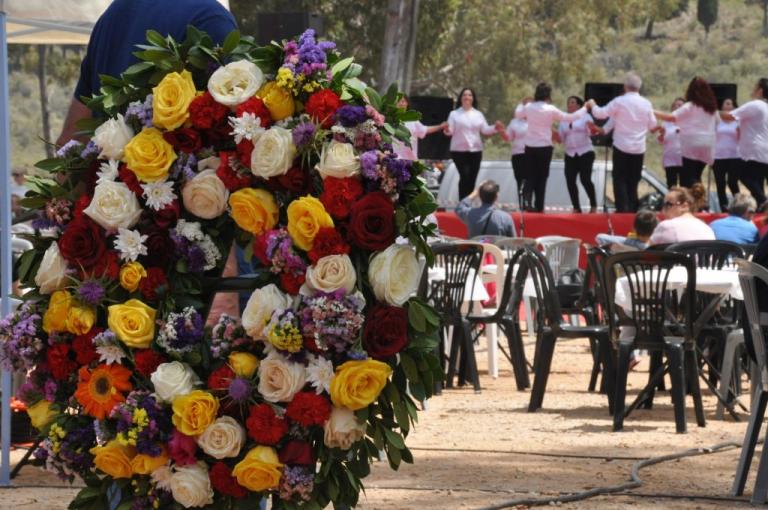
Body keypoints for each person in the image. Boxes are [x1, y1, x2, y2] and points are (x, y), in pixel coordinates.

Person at [57, 0, 237, 145]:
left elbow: (71, 140)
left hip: (108, 186)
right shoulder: (211, 19)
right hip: (170, 187)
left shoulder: (112, 15)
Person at [587, 72, 657, 212]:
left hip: (622, 147)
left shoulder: (619, 102)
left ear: (625, 87)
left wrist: (592, 104)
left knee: (619, 180)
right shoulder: (646, 103)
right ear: (639, 88)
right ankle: (632, 210)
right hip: (638, 149)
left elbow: (600, 113)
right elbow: (653, 125)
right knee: (633, 182)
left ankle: (623, 210)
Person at [515, 82, 587, 212]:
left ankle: (526, 202)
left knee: (530, 175)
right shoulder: (550, 109)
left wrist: (522, 102)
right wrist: (585, 107)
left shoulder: (529, 107)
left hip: (530, 146)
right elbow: (570, 117)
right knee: (542, 177)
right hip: (545, 147)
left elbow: (517, 114)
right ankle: (539, 206)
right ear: (548, 94)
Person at [653, 77, 718, 188]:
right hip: (708, 145)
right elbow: (717, 123)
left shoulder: (691, 105)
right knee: (697, 176)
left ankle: (691, 203)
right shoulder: (711, 108)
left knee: (687, 180)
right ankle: (700, 203)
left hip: (691, 144)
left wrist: (650, 110)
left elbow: (671, 117)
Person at [443, 88, 501, 200]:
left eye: (469, 95)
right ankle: (463, 202)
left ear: (473, 98)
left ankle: (468, 203)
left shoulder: (478, 114)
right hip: (458, 151)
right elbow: (450, 130)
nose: (467, 97)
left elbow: (485, 130)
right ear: (461, 98)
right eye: (464, 95)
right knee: (465, 176)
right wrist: (446, 130)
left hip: (475, 151)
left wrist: (495, 127)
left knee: (472, 178)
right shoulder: (454, 114)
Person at [720, 78, 768, 209]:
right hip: (763, 151)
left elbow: (728, 116)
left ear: (760, 91)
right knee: (757, 180)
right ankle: (761, 207)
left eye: (755, 87)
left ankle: (763, 201)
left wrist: (711, 110)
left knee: (743, 175)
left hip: (754, 149)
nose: (752, 90)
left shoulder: (756, 104)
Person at [558, 95, 598, 213]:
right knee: (570, 180)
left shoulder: (585, 116)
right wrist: (555, 135)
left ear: (579, 105)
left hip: (585, 152)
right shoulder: (564, 119)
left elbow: (591, 132)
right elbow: (561, 138)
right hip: (570, 153)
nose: (569, 105)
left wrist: (592, 128)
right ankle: (576, 207)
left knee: (585, 179)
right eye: (568, 102)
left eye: (572, 102)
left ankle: (593, 204)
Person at [649, 187, 715, 245]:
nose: (663, 210)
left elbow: (648, 254)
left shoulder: (667, 226)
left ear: (684, 206)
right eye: (663, 205)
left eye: (668, 205)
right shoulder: (707, 229)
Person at [393, 95, 447, 160]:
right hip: (393, 158)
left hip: (409, 160)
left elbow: (425, 130)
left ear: (407, 103)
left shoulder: (413, 119)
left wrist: (440, 126)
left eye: (403, 101)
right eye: (398, 101)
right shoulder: (389, 119)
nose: (401, 103)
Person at [712, 98, 741, 212]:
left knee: (732, 181)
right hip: (718, 156)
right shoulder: (717, 120)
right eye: (727, 104)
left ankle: (739, 205)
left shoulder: (738, 120)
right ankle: (724, 208)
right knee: (720, 183)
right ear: (722, 106)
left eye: (732, 104)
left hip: (735, 156)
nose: (729, 106)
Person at [501, 98, 530, 208]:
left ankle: (530, 203)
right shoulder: (515, 122)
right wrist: (502, 131)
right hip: (518, 154)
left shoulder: (537, 121)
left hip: (532, 154)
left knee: (530, 180)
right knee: (520, 180)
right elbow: (508, 137)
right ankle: (522, 204)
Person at [657, 98, 684, 187]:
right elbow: (660, 141)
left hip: (684, 159)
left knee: (685, 186)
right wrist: (661, 136)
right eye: (677, 105)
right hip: (670, 159)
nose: (680, 107)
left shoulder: (688, 122)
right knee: (671, 185)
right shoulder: (666, 122)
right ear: (673, 107)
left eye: (682, 105)